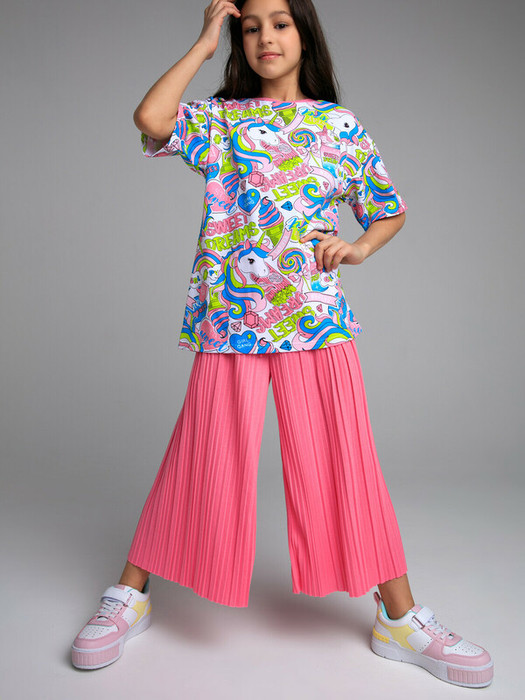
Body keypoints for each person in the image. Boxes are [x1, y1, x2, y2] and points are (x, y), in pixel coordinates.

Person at [71, 0, 493, 688]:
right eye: (250, 27)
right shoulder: (221, 120)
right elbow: (150, 118)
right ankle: (131, 595)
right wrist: (204, 41)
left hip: (314, 318)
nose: (265, 36)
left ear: (304, 33)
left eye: (280, 22)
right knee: (199, 455)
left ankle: (400, 617)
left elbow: (386, 209)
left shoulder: (338, 126)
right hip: (230, 320)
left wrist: (357, 248)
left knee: (347, 460)